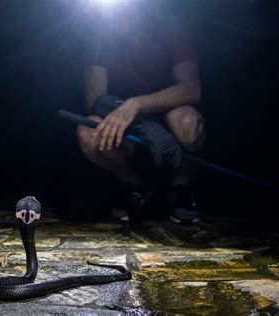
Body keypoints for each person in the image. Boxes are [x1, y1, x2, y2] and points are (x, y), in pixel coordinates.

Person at [76, 4, 205, 223]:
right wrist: (137, 120)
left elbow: (191, 89)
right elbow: (95, 101)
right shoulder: (100, 38)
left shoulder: (169, 28)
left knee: (186, 122)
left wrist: (136, 105)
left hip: (167, 114)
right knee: (87, 129)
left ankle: (181, 186)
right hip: (125, 122)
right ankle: (132, 184)